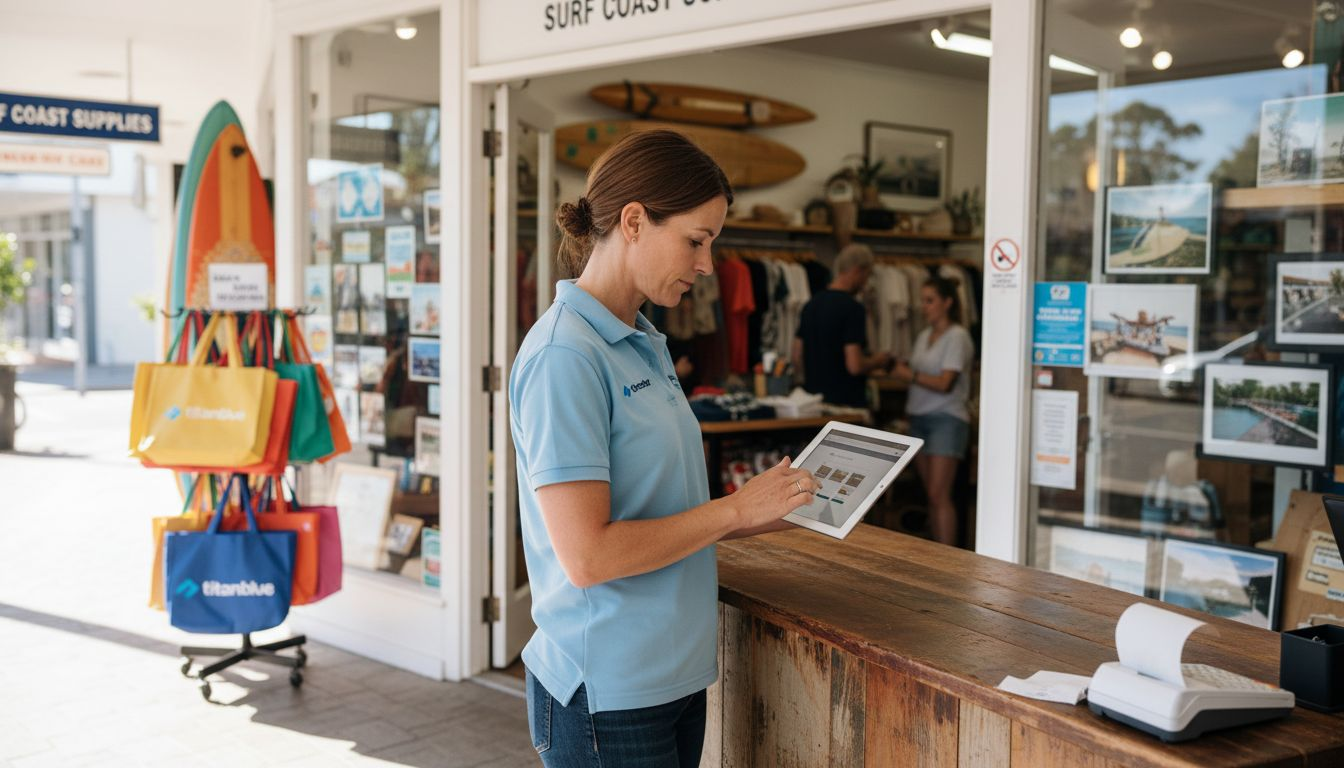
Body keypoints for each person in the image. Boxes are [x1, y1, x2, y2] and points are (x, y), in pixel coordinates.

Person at [509, 129, 821, 767]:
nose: (707, 264)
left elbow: (662, 512)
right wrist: (733, 509)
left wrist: (766, 512)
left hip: (669, 678)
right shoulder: (565, 355)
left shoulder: (642, 339)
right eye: (696, 240)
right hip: (606, 689)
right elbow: (589, 556)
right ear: (632, 222)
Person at [892, 275, 975, 547]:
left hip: (945, 419)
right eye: (923, 301)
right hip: (919, 417)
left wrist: (909, 375)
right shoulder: (924, 336)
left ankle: (947, 558)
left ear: (947, 303)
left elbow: (945, 382)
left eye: (930, 300)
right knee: (930, 494)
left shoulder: (958, 337)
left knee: (940, 495)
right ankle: (938, 553)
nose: (924, 307)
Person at [791, 244, 892, 407]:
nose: (866, 282)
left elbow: (796, 356)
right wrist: (878, 361)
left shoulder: (811, 305)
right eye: (867, 275)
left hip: (814, 401)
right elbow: (854, 365)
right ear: (858, 271)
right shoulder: (853, 308)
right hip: (846, 403)